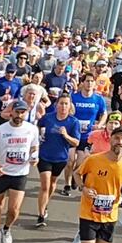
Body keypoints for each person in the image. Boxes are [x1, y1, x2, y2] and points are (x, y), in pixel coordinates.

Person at [66, 126, 122, 243]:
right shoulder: (95, 159)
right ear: (110, 140)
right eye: (117, 138)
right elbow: (77, 174)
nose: (120, 142)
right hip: (89, 211)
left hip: (110, 214)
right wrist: (84, 188)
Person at [0, 99, 40, 243]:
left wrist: (35, 158)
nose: (19, 115)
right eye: (17, 112)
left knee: (14, 209)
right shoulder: (1, 130)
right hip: (2, 172)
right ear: (11, 112)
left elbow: (35, 148)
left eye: (23, 112)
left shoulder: (32, 129)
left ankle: (7, 229)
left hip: (20, 173)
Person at [36, 93, 81, 227]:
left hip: (61, 158)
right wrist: (39, 136)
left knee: (52, 183)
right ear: (56, 105)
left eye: (66, 104)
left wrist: (66, 135)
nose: (63, 106)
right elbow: (39, 126)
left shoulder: (73, 122)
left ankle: (46, 204)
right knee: (45, 184)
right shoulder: (48, 118)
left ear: (69, 106)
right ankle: (41, 215)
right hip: (44, 155)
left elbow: (76, 142)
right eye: (61, 103)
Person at [62, 72, 107, 196]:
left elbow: (104, 113)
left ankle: (75, 179)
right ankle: (67, 184)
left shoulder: (98, 99)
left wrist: (99, 124)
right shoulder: (74, 97)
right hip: (72, 134)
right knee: (70, 161)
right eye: (87, 81)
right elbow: (67, 111)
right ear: (82, 83)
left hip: (87, 136)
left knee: (80, 163)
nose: (89, 83)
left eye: (92, 81)